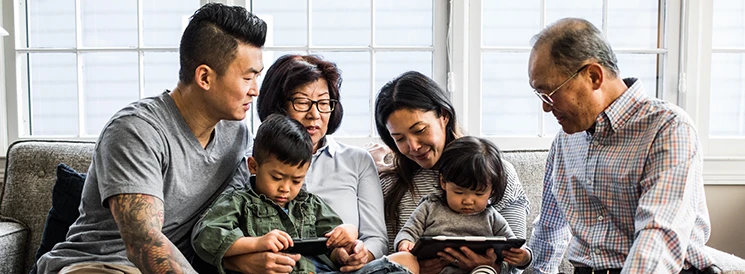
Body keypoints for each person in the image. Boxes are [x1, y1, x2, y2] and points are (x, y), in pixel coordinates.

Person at [35, 3, 267, 274]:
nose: (255, 91)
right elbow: (144, 243)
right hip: (97, 265)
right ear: (204, 77)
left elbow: (231, 216)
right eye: (248, 78)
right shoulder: (135, 130)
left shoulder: (236, 136)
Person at [526, 18, 721, 274]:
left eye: (550, 92)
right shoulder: (565, 141)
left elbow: (658, 236)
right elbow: (551, 226)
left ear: (594, 76)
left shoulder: (667, 128)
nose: (545, 106)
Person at [192, 114, 418, 274]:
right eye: (277, 178)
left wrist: (344, 247)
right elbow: (205, 236)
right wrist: (256, 243)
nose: (286, 188)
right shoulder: (239, 202)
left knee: (399, 266)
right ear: (253, 166)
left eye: (296, 180)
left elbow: (331, 245)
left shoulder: (310, 204)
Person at [373, 71, 531, 274]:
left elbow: (516, 255)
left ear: (444, 116)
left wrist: (492, 267)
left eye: (420, 130)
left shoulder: (495, 172)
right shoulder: (391, 184)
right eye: (400, 138)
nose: (413, 146)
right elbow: (385, 259)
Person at [256, 54, 388, 267]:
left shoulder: (357, 160)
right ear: (278, 105)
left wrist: (363, 254)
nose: (314, 114)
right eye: (302, 102)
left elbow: (376, 238)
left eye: (324, 103)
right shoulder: (255, 161)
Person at [394, 136, 532, 274]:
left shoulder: (491, 216)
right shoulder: (430, 207)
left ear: (492, 191)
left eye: (478, 194)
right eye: (459, 192)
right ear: (443, 182)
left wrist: (524, 257)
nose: (468, 201)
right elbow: (408, 231)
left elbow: (513, 245)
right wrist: (405, 243)